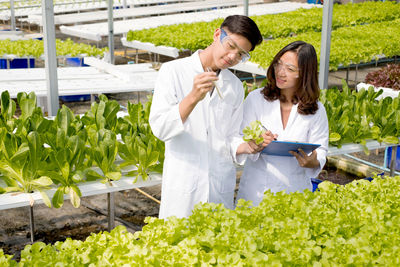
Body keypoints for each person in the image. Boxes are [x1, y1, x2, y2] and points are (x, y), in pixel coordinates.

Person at [149, 15, 263, 219]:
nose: (232, 57)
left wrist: (246, 146)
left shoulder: (235, 86)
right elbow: (160, 128)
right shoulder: (174, 71)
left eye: (241, 54)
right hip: (184, 185)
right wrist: (193, 97)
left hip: (219, 188)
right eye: (230, 46)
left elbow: (230, 136)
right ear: (217, 34)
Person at [236, 41, 329, 206]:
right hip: (257, 190)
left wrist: (313, 162)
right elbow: (241, 136)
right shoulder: (256, 99)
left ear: (305, 74)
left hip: (295, 191)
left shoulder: (316, 109)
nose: (280, 72)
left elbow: (320, 149)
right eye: (278, 64)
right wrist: (255, 143)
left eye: (290, 69)